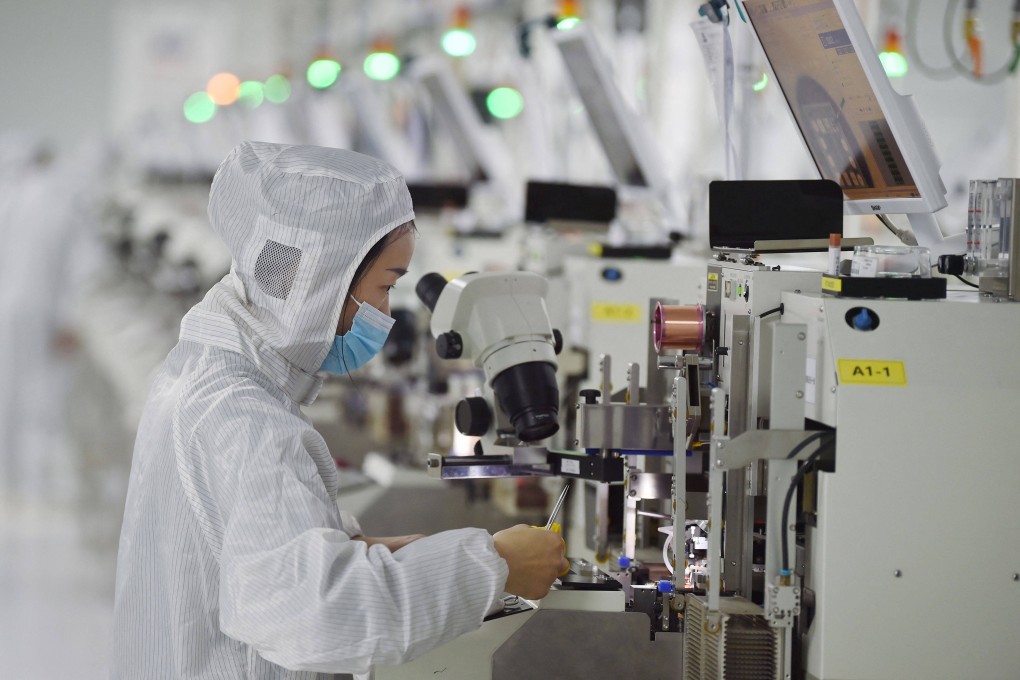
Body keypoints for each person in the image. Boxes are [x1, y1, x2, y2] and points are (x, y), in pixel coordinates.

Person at [111, 141, 568, 679]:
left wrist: (351, 548)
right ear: (322, 283)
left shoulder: (208, 375)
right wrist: (496, 565)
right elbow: (317, 615)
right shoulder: (245, 418)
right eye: (386, 286)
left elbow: (244, 557)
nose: (386, 313)